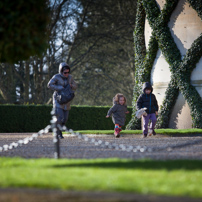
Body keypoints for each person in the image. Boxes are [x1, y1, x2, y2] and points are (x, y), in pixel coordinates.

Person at [47, 62, 77, 139]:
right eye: (65, 72)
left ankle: (59, 130)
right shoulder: (56, 77)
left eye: (68, 72)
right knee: (60, 118)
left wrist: (71, 85)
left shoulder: (70, 77)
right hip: (58, 99)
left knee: (65, 118)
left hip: (66, 100)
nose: (66, 74)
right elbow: (49, 85)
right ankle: (58, 133)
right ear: (61, 71)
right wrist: (60, 88)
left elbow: (75, 86)